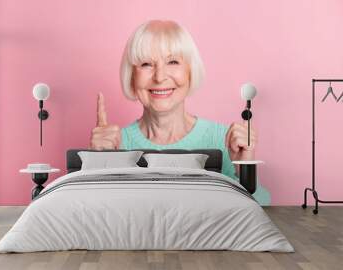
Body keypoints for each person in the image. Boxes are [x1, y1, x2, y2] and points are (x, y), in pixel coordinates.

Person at [89, 20, 270, 205]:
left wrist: (245, 166)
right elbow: (97, 217)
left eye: (173, 61)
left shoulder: (225, 140)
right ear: (132, 77)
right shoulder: (115, 144)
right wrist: (99, 164)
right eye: (146, 64)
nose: (160, 77)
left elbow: (262, 211)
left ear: (190, 72)